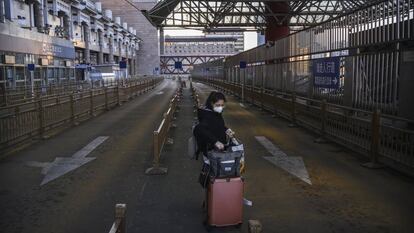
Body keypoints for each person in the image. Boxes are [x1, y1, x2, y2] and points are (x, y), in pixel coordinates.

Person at [193, 91, 235, 160]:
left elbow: (217, 125)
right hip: (211, 150)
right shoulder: (206, 114)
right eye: (218, 105)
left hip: (219, 149)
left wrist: (226, 130)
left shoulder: (215, 112)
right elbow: (199, 129)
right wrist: (215, 141)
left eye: (222, 105)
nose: (220, 107)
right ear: (211, 103)